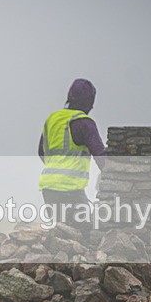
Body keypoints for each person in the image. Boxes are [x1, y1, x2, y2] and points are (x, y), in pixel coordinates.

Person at [38, 78, 106, 243]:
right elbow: (101, 158)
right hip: (71, 191)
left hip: (48, 188)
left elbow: (41, 152)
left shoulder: (52, 119)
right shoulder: (84, 123)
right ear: (90, 103)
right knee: (83, 238)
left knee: (62, 237)